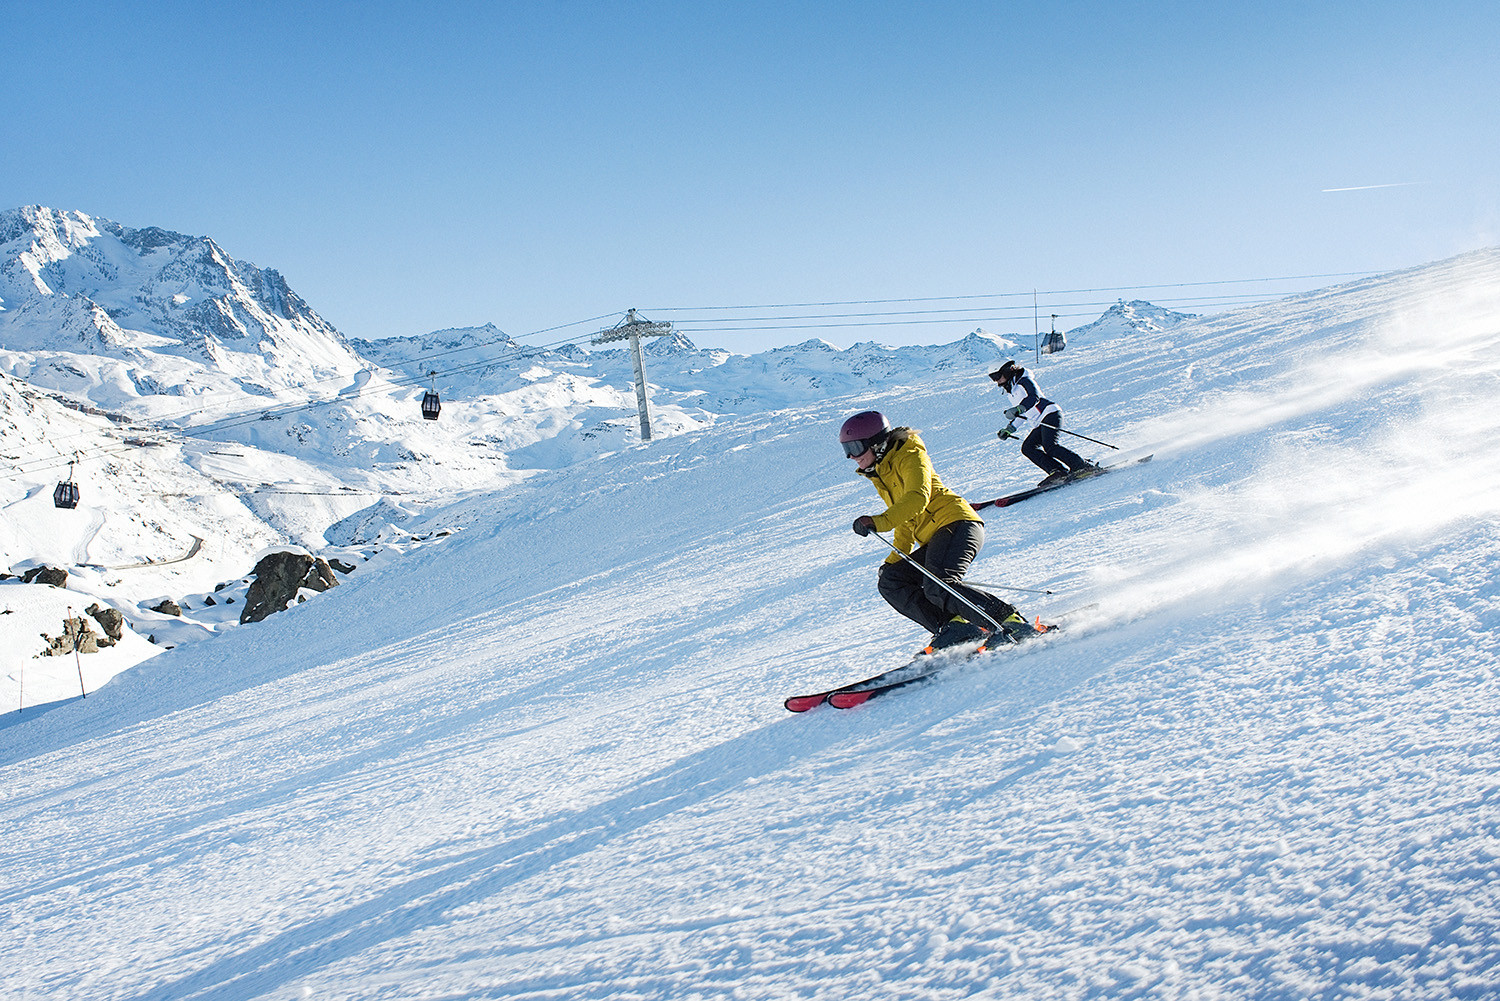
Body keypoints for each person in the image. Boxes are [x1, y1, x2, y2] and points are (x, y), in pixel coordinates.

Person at [840, 409, 1040, 648]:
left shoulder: (910, 453)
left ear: (876, 443)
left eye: (855, 448)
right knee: (892, 581)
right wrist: (894, 561)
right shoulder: (883, 471)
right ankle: (955, 628)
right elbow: (906, 519)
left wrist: (878, 522)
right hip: (936, 536)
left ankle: (1009, 620)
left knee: (940, 584)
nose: (852, 457)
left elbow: (917, 498)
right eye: (847, 450)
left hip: (957, 523)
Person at [988, 360, 1095, 485]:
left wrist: (1018, 408)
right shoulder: (1012, 391)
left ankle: (1082, 466)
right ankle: (1057, 471)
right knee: (1028, 448)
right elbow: (1022, 413)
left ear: (1007, 371)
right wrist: (1010, 428)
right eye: (992, 378)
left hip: (1050, 414)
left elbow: (1034, 398)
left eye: (996, 376)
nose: (996, 381)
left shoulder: (1024, 381)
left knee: (1050, 446)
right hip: (1039, 422)